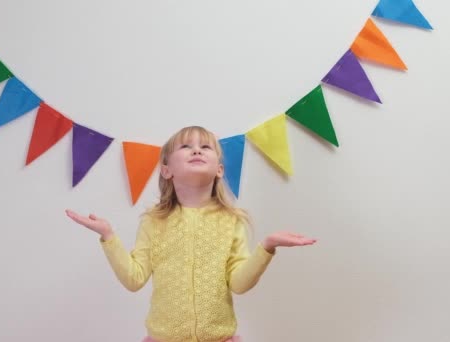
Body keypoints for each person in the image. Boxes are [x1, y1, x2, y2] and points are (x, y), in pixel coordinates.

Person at [65, 126, 316, 342]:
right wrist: (109, 237)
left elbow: (239, 284)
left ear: (219, 170)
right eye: (186, 146)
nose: (197, 150)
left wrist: (267, 247)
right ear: (166, 170)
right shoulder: (154, 221)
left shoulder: (231, 221)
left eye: (205, 147)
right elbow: (134, 279)